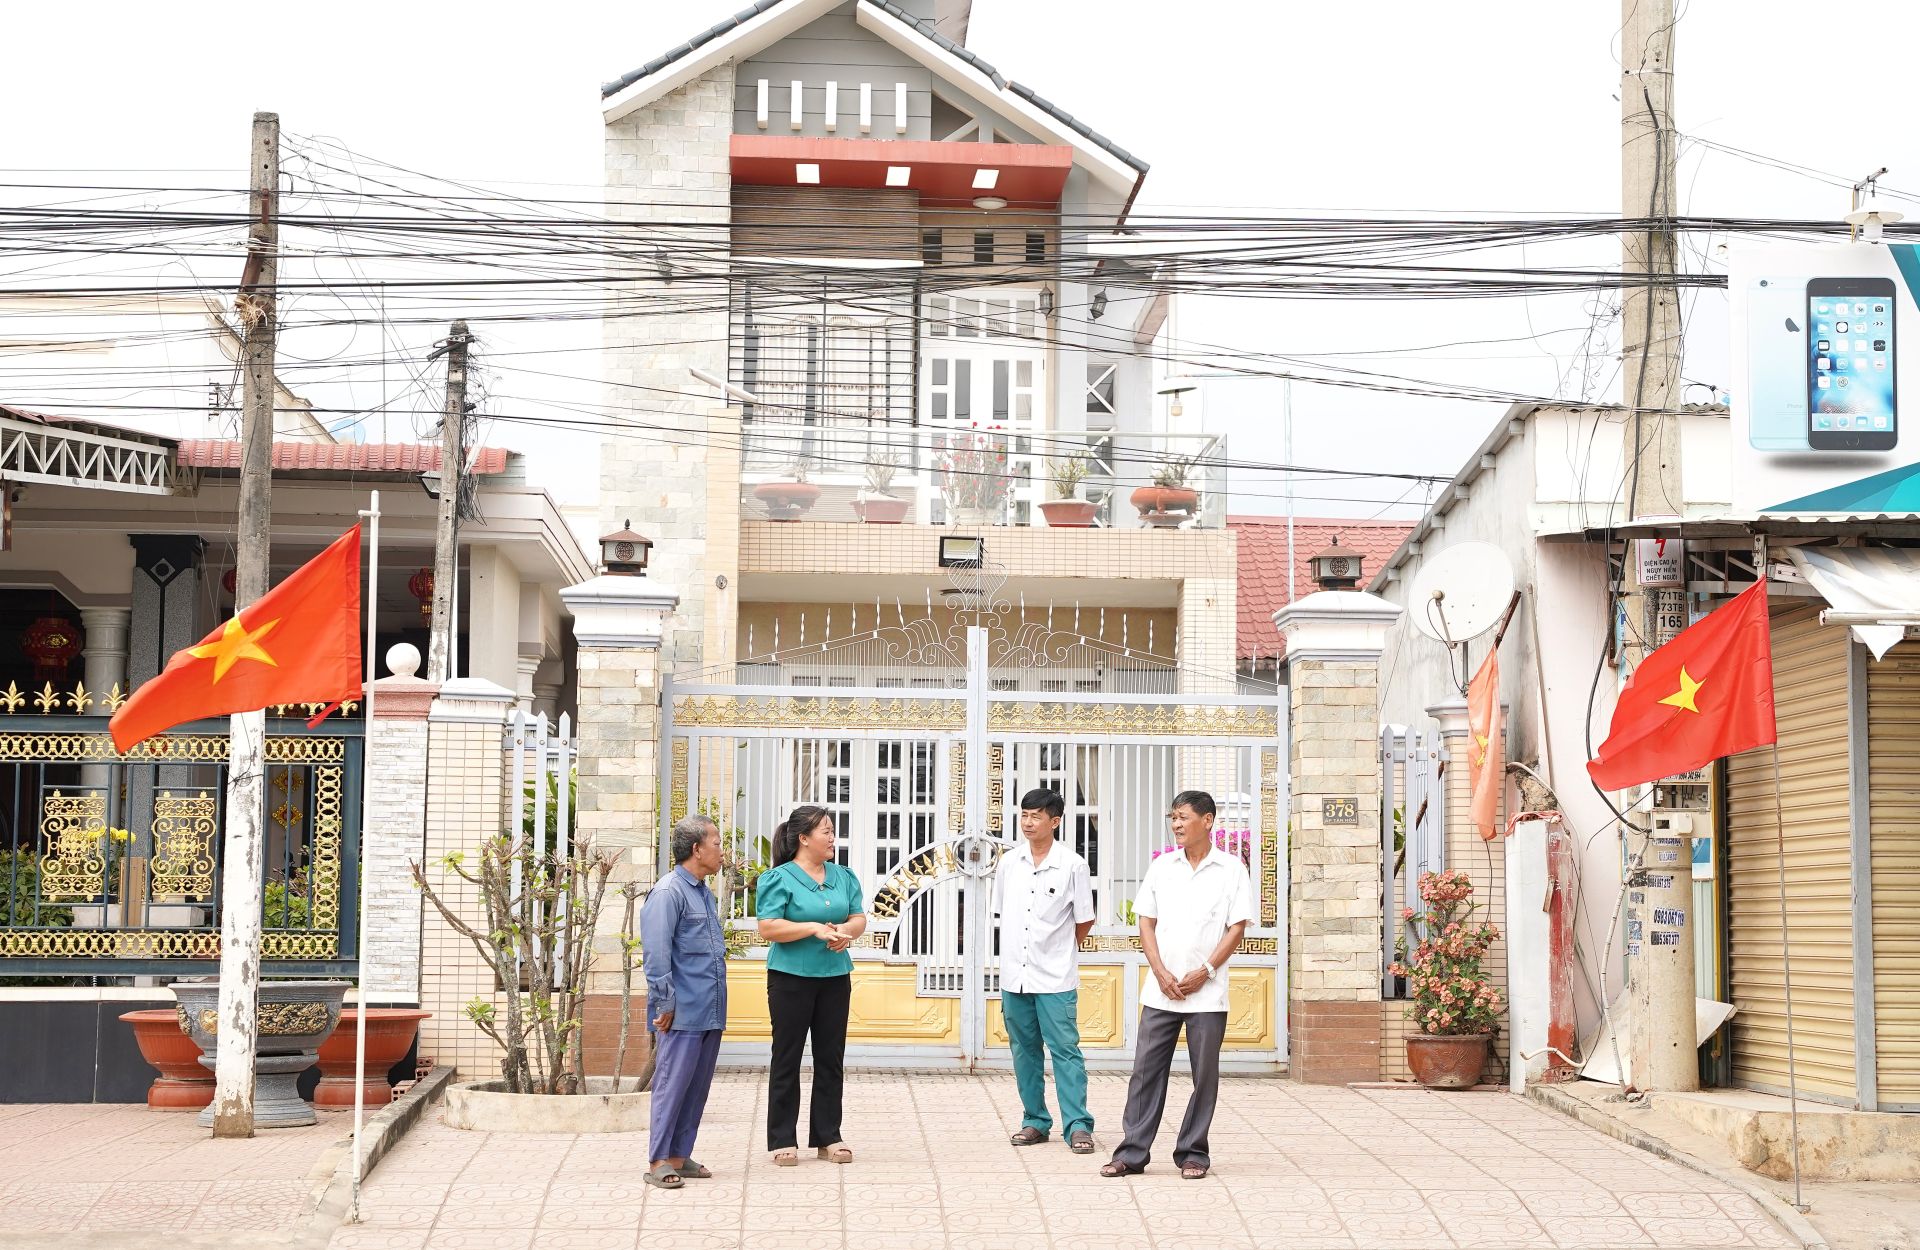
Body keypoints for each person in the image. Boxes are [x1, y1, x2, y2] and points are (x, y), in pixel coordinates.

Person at [1101, 790, 1253, 1181]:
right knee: (1145, 1072)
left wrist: (1206, 971)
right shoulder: (1162, 866)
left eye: (1183, 817)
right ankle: (1131, 1153)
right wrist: (1159, 971)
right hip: (1160, 991)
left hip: (1207, 994)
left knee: (1205, 1077)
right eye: (1173, 817)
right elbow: (1145, 921)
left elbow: (1237, 927)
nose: (1176, 824)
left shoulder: (1231, 869)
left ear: (1208, 820)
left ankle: (1193, 1153)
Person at [755, 804, 866, 1167]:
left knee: (831, 1058)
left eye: (832, 831)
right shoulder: (779, 878)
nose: (833, 837)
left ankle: (828, 1137)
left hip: (835, 977)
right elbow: (768, 927)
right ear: (804, 838)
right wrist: (813, 928)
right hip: (790, 980)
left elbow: (858, 917)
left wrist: (845, 932)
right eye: (826, 831)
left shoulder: (844, 876)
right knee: (786, 1058)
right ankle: (782, 1140)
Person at [994, 787, 1097, 1154]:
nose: (1028, 822)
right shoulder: (1009, 863)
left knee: (1065, 1051)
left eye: (1036, 816)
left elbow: (1084, 919)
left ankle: (1078, 1125)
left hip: (1055, 978)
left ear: (1054, 822)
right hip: (1015, 977)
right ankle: (1035, 1121)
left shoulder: (1073, 865)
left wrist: (1059, 951)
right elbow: (1003, 913)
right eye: (1024, 815)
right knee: (1024, 1051)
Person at [638, 814, 730, 1191]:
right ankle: (659, 1160)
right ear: (696, 849)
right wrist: (664, 1004)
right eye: (717, 844)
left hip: (709, 1007)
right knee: (672, 1085)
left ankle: (679, 1155)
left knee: (696, 1087)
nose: (722, 851)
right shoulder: (668, 893)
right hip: (681, 1011)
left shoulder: (702, 891)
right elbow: (656, 954)